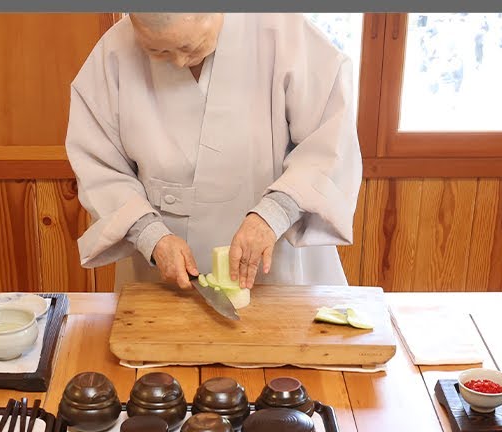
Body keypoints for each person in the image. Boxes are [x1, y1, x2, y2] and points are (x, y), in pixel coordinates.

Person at [65, 13, 362, 291]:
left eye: (188, 46)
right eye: (159, 52)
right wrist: (149, 233)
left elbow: (328, 143)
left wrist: (276, 212)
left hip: (277, 264)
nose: (179, 62)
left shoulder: (283, 33)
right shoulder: (112, 56)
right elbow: (100, 168)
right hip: (164, 275)